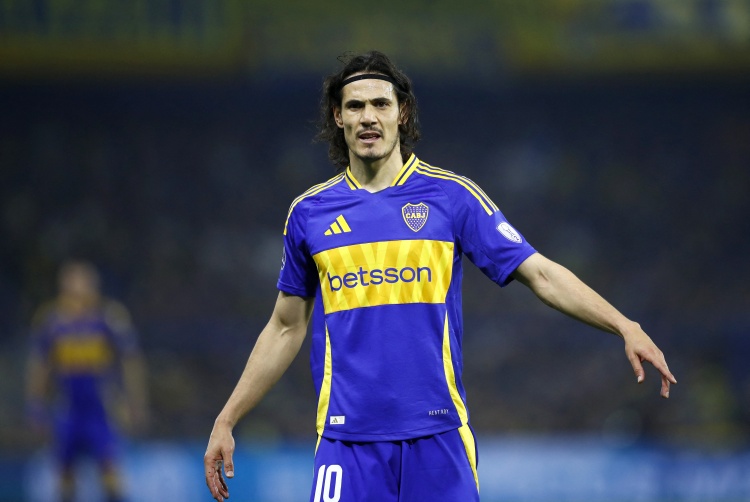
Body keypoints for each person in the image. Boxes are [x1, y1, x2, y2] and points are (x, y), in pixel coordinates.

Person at [204, 50, 677, 502]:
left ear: (402, 113)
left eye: (381, 104)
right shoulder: (310, 213)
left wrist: (624, 325)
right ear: (338, 117)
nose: (369, 117)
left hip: (438, 437)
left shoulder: (451, 197)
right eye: (355, 106)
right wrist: (227, 418)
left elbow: (541, 273)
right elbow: (285, 327)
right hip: (347, 442)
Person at [25, 260, 148, 502]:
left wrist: (135, 402)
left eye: (84, 289)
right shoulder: (52, 322)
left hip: (101, 410)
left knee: (111, 475)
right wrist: (35, 403)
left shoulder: (108, 318)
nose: (78, 298)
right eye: (72, 290)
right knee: (65, 476)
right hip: (67, 409)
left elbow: (130, 361)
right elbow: (40, 365)